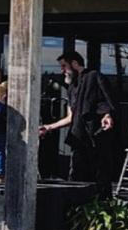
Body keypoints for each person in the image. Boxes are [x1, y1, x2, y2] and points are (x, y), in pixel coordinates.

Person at [39, 51, 116, 198]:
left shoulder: (94, 77)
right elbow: (71, 117)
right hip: (79, 137)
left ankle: (101, 205)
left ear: (74, 63)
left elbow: (108, 101)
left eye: (64, 66)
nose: (62, 70)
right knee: (77, 174)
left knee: (100, 175)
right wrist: (49, 127)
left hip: (96, 136)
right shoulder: (71, 88)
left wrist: (107, 115)